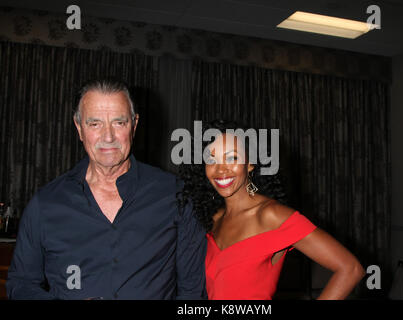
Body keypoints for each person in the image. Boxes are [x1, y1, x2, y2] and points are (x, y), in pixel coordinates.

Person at [6, 79, 206, 300]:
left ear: (134, 124)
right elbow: (21, 284)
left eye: (119, 122)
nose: (108, 136)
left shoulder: (176, 195)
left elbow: (193, 293)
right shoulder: (45, 204)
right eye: (95, 124)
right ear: (79, 128)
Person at [178, 120, 365, 300]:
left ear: (250, 163)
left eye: (232, 157)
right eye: (211, 159)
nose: (220, 169)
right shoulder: (214, 219)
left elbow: (350, 269)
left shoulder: (271, 216)